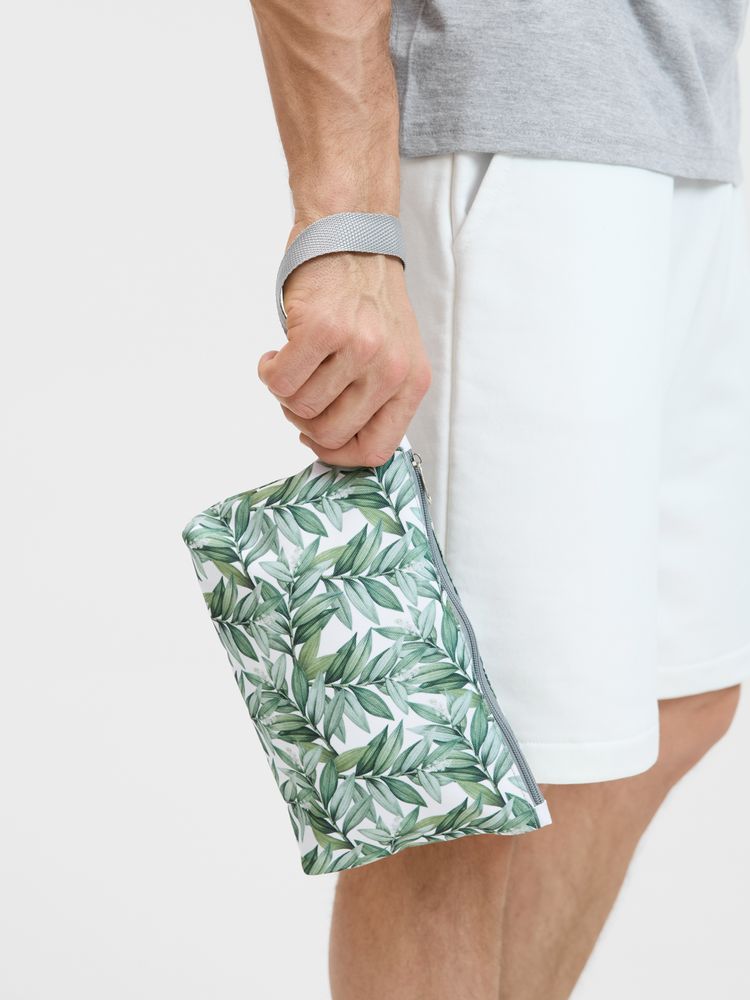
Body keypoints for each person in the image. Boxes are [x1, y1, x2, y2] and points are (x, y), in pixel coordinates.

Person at [250, 2, 750, 997]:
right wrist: (346, 222)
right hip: (512, 114)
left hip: (682, 103)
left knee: (680, 695)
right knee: (453, 779)